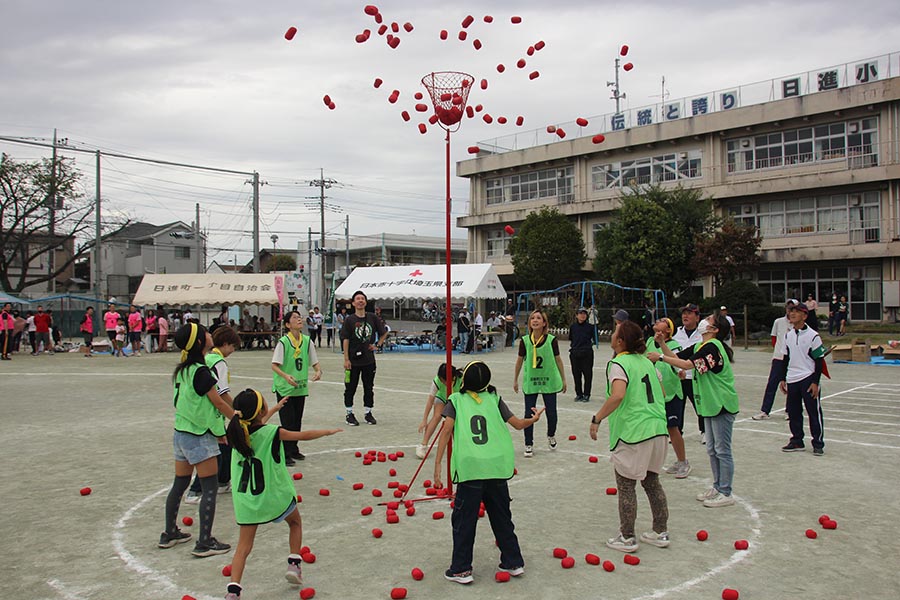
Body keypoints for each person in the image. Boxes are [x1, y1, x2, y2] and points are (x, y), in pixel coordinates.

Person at [433, 360, 545, 584]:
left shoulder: (455, 400)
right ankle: (513, 562)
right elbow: (518, 424)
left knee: (464, 521)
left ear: (464, 381)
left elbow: (446, 431)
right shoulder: (495, 399)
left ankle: (461, 569)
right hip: (496, 466)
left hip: (471, 468)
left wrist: (437, 466)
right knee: (502, 517)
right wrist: (534, 418)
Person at [223, 389, 341, 600]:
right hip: (273, 496)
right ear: (261, 411)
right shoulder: (273, 433)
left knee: (243, 547)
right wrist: (326, 432)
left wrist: (276, 409)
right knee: (295, 523)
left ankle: (233, 590)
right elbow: (302, 435)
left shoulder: (236, 435)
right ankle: (294, 564)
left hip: (247, 502)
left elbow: (257, 426)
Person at [590, 320, 670, 553]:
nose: (612, 335)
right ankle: (660, 531)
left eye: (615, 332)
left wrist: (597, 418)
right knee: (652, 482)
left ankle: (627, 537)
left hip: (634, 432)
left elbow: (617, 395)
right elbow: (662, 392)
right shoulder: (647, 363)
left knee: (626, 486)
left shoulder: (619, 363)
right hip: (658, 429)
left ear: (621, 341)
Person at [158, 322, 234, 558]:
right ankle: (204, 541)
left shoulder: (183, 370)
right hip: (199, 436)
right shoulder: (202, 372)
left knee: (180, 483)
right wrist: (239, 419)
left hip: (181, 433)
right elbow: (218, 403)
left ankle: (169, 532)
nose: (211, 335)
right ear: (201, 342)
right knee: (210, 487)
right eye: (206, 333)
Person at [654, 312, 739, 508]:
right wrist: (662, 344)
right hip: (709, 404)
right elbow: (677, 357)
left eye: (708, 320)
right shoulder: (700, 346)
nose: (704, 321)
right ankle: (717, 486)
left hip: (722, 404)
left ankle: (726, 491)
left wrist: (659, 357)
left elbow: (687, 365)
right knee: (712, 449)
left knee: (722, 450)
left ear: (714, 329)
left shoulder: (713, 347)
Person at [185, 326, 244, 504]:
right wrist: (236, 410)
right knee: (212, 454)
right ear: (225, 344)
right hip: (212, 413)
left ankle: (223, 481)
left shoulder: (206, 358)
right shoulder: (219, 362)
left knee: (225, 446)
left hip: (201, 410)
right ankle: (195, 491)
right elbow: (222, 393)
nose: (233, 351)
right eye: (233, 347)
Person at [512, 309, 567, 458]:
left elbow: (558, 360)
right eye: (532, 318)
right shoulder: (525, 341)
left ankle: (551, 435)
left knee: (551, 412)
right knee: (528, 413)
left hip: (548, 380)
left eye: (538, 318)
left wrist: (564, 379)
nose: (535, 320)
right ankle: (528, 443)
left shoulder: (551, 340)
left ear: (544, 323)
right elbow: (519, 361)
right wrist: (515, 379)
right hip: (532, 381)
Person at [272, 310, 322, 465]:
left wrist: (318, 371)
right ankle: (284, 452)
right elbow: (274, 365)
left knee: (297, 421)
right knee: (287, 422)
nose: (299, 319)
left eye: (300, 317)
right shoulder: (283, 342)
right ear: (288, 324)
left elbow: (314, 361)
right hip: (285, 388)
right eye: (295, 317)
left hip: (300, 387)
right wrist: (286, 376)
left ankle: (293, 449)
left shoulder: (307, 341)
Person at [779, 303, 827, 455]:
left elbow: (819, 361)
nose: (792, 314)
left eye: (797, 311)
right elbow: (785, 358)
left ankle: (818, 443)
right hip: (792, 378)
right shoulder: (788, 335)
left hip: (808, 377)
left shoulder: (813, 336)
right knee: (794, 412)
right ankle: (797, 440)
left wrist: (815, 382)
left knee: (813, 412)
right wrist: (782, 378)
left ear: (805, 316)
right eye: (791, 311)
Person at [646, 318, 691, 478]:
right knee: (652, 428)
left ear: (667, 330)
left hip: (672, 393)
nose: (658, 320)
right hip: (654, 393)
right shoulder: (649, 342)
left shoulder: (674, 345)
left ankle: (683, 461)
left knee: (673, 428)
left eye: (662, 321)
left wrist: (680, 372)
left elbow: (678, 363)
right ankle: (649, 462)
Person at [340, 290, 388, 426]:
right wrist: (346, 359)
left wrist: (377, 345)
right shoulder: (349, 320)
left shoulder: (372, 317)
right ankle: (349, 413)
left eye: (363, 299)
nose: (360, 301)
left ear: (366, 302)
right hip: (353, 361)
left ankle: (368, 413)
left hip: (369, 360)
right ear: (353, 303)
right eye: (358, 299)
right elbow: (345, 339)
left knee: (368, 387)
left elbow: (384, 332)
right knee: (350, 388)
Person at [752, 300, 795, 420]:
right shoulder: (778, 322)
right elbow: (774, 338)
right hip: (778, 357)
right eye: (788, 308)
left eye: (793, 308)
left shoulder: (798, 323)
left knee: (791, 385)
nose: (790, 311)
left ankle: (789, 411)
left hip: (792, 359)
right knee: (772, 384)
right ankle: (765, 411)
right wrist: (778, 350)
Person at [673, 304, 706, 443]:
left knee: (699, 405)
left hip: (695, 377)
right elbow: (673, 353)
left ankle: (704, 431)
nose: (685, 316)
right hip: (679, 376)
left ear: (697, 317)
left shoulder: (702, 334)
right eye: (684, 313)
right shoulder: (676, 333)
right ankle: (677, 432)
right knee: (677, 406)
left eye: (689, 313)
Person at [416, 363, 462, 459]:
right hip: (442, 398)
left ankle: (459, 447)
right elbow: (430, 400)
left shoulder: (461, 380)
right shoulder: (437, 381)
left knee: (455, 422)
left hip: (456, 401)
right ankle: (423, 445)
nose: (441, 381)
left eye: (443, 380)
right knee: (437, 416)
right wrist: (424, 419)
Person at [569, 307, 595, 402]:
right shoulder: (573, 327)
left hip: (587, 353)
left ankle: (587, 394)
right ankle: (579, 394)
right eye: (580, 313)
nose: (582, 315)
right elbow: (571, 338)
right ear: (576, 315)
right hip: (575, 353)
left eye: (584, 314)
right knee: (576, 375)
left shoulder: (590, 327)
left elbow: (594, 339)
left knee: (588, 375)